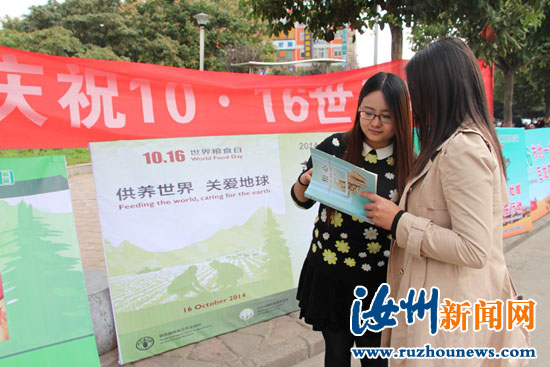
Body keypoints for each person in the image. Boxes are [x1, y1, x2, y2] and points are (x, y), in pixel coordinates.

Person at [361, 38, 530, 366]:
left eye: (418, 90)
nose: (414, 102)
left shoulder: (463, 150)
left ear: (438, 91)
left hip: (449, 317)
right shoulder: (449, 144)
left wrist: (398, 222)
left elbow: (474, 249)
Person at [291, 72, 414, 367]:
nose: (375, 122)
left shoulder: (409, 162)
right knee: (336, 353)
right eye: (368, 113)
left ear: (400, 119)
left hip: (378, 280)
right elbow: (300, 199)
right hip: (331, 271)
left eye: (385, 116)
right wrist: (304, 181)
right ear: (358, 110)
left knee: (375, 357)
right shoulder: (335, 147)